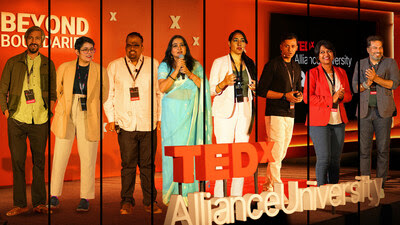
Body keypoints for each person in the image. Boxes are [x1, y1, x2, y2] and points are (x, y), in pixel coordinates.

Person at [104, 32, 162, 214]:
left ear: (142, 47)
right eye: (129, 45)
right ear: (125, 46)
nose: (132, 48)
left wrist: (159, 118)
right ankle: (127, 200)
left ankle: (150, 201)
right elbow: (108, 95)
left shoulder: (154, 64)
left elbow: (159, 94)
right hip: (125, 124)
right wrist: (111, 119)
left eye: (136, 45)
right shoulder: (114, 66)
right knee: (128, 165)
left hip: (148, 123)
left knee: (148, 165)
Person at [0, 26, 55, 216]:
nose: (34, 41)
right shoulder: (13, 62)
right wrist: (6, 111)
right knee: (18, 162)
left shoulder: (48, 63)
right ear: (25, 40)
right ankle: (20, 203)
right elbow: (2, 88)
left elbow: (53, 89)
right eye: (30, 38)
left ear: (42, 41)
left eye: (37, 38)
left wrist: (51, 108)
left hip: (40, 119)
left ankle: (40, 203)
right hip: (17, 119)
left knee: (39, 162)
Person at [49, 36, 109, 211]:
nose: (89, 52)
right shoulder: (65, 67)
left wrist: (91, 105)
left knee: (89, 157)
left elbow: (104, 93)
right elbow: (57, 89)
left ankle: (85, 197)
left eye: (92, 49)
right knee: (60, 155)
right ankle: (53, 195)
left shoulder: (100, 70)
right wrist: (67, 102)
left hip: (89, 112)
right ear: (76, 51)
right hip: (67, 110)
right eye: (85, 49)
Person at [158, 35, 212, 205]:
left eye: (182, 45)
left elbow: (204, 85)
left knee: (191, 152)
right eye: (175, 45)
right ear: (170, 49)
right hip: (172, 117)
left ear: (186, 48)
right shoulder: (164, 65)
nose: (179, 48)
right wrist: (176, 71)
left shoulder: (195, 66)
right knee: (174, 154)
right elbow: (162, 88)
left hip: (192, 117)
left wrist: (188, 72)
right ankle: (173, 193)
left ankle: (191, 192)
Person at [209, 30, 256, 198]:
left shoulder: (249, 63)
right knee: (223, 153)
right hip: (224, 113)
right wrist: (223, 83)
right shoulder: (220, 62)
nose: (239, 43)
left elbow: (254, 85)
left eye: (242, 40)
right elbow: (210, 89)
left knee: (240, 154)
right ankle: (219, 194)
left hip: (244, 111)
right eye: (235, 40)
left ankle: (237, 194)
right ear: (229, 43)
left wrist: (254, 88)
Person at [352, 35, 399, 198]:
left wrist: (376, 79)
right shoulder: (360, 64)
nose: (378, 51)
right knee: (364, 150)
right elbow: (355, 88)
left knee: (382, 150)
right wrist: (367, 83)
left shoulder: (390, 63)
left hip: (383, 112)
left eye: (380, 47)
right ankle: (365, 185)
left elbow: (394, 83)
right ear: (368, 49)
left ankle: (380, 185)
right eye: (374, 48)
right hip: (365, 112)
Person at [257, 33, 303, 192]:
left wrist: (299, 96)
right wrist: (284, 96)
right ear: (281, 47)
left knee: (281, 153)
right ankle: (277, 189)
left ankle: (268, 186)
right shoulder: (273, 65)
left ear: (297, 47)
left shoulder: (296, 67)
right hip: (275, 113)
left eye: (293, 46)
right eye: (287, 46)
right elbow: (261, 91)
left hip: (289, 113)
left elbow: (297, 88)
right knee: (276, 153)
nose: (290, 49)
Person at [303, 40, 352, 186]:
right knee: (324, 158)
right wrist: (331, 99)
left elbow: (349, 95)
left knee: (336, 160)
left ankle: (333, 191)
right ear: (318, 56)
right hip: (319, 121)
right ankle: (321, 191)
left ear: (333, 54)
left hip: (338, 121)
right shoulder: (312, 73)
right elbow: (307, 98)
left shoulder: (341, 72)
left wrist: (341, 97)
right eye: (322, 52)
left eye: (329, 51)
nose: (326, 54)